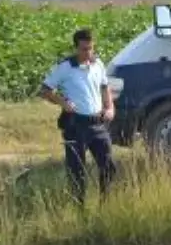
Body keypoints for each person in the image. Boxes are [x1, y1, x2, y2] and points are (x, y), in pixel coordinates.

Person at [39, 28, 117, 204]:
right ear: (76, 48)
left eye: (90, 48)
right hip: (75, 124)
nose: (88, 53)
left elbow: (105, 87)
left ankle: (106, 205)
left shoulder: (98, 64)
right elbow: (45, 91)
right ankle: (78, 209)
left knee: (109, 167)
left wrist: (110, 107)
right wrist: (62, 102)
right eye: (84, 49)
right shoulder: (65, 67)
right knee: (77, 171)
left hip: (98, 123)